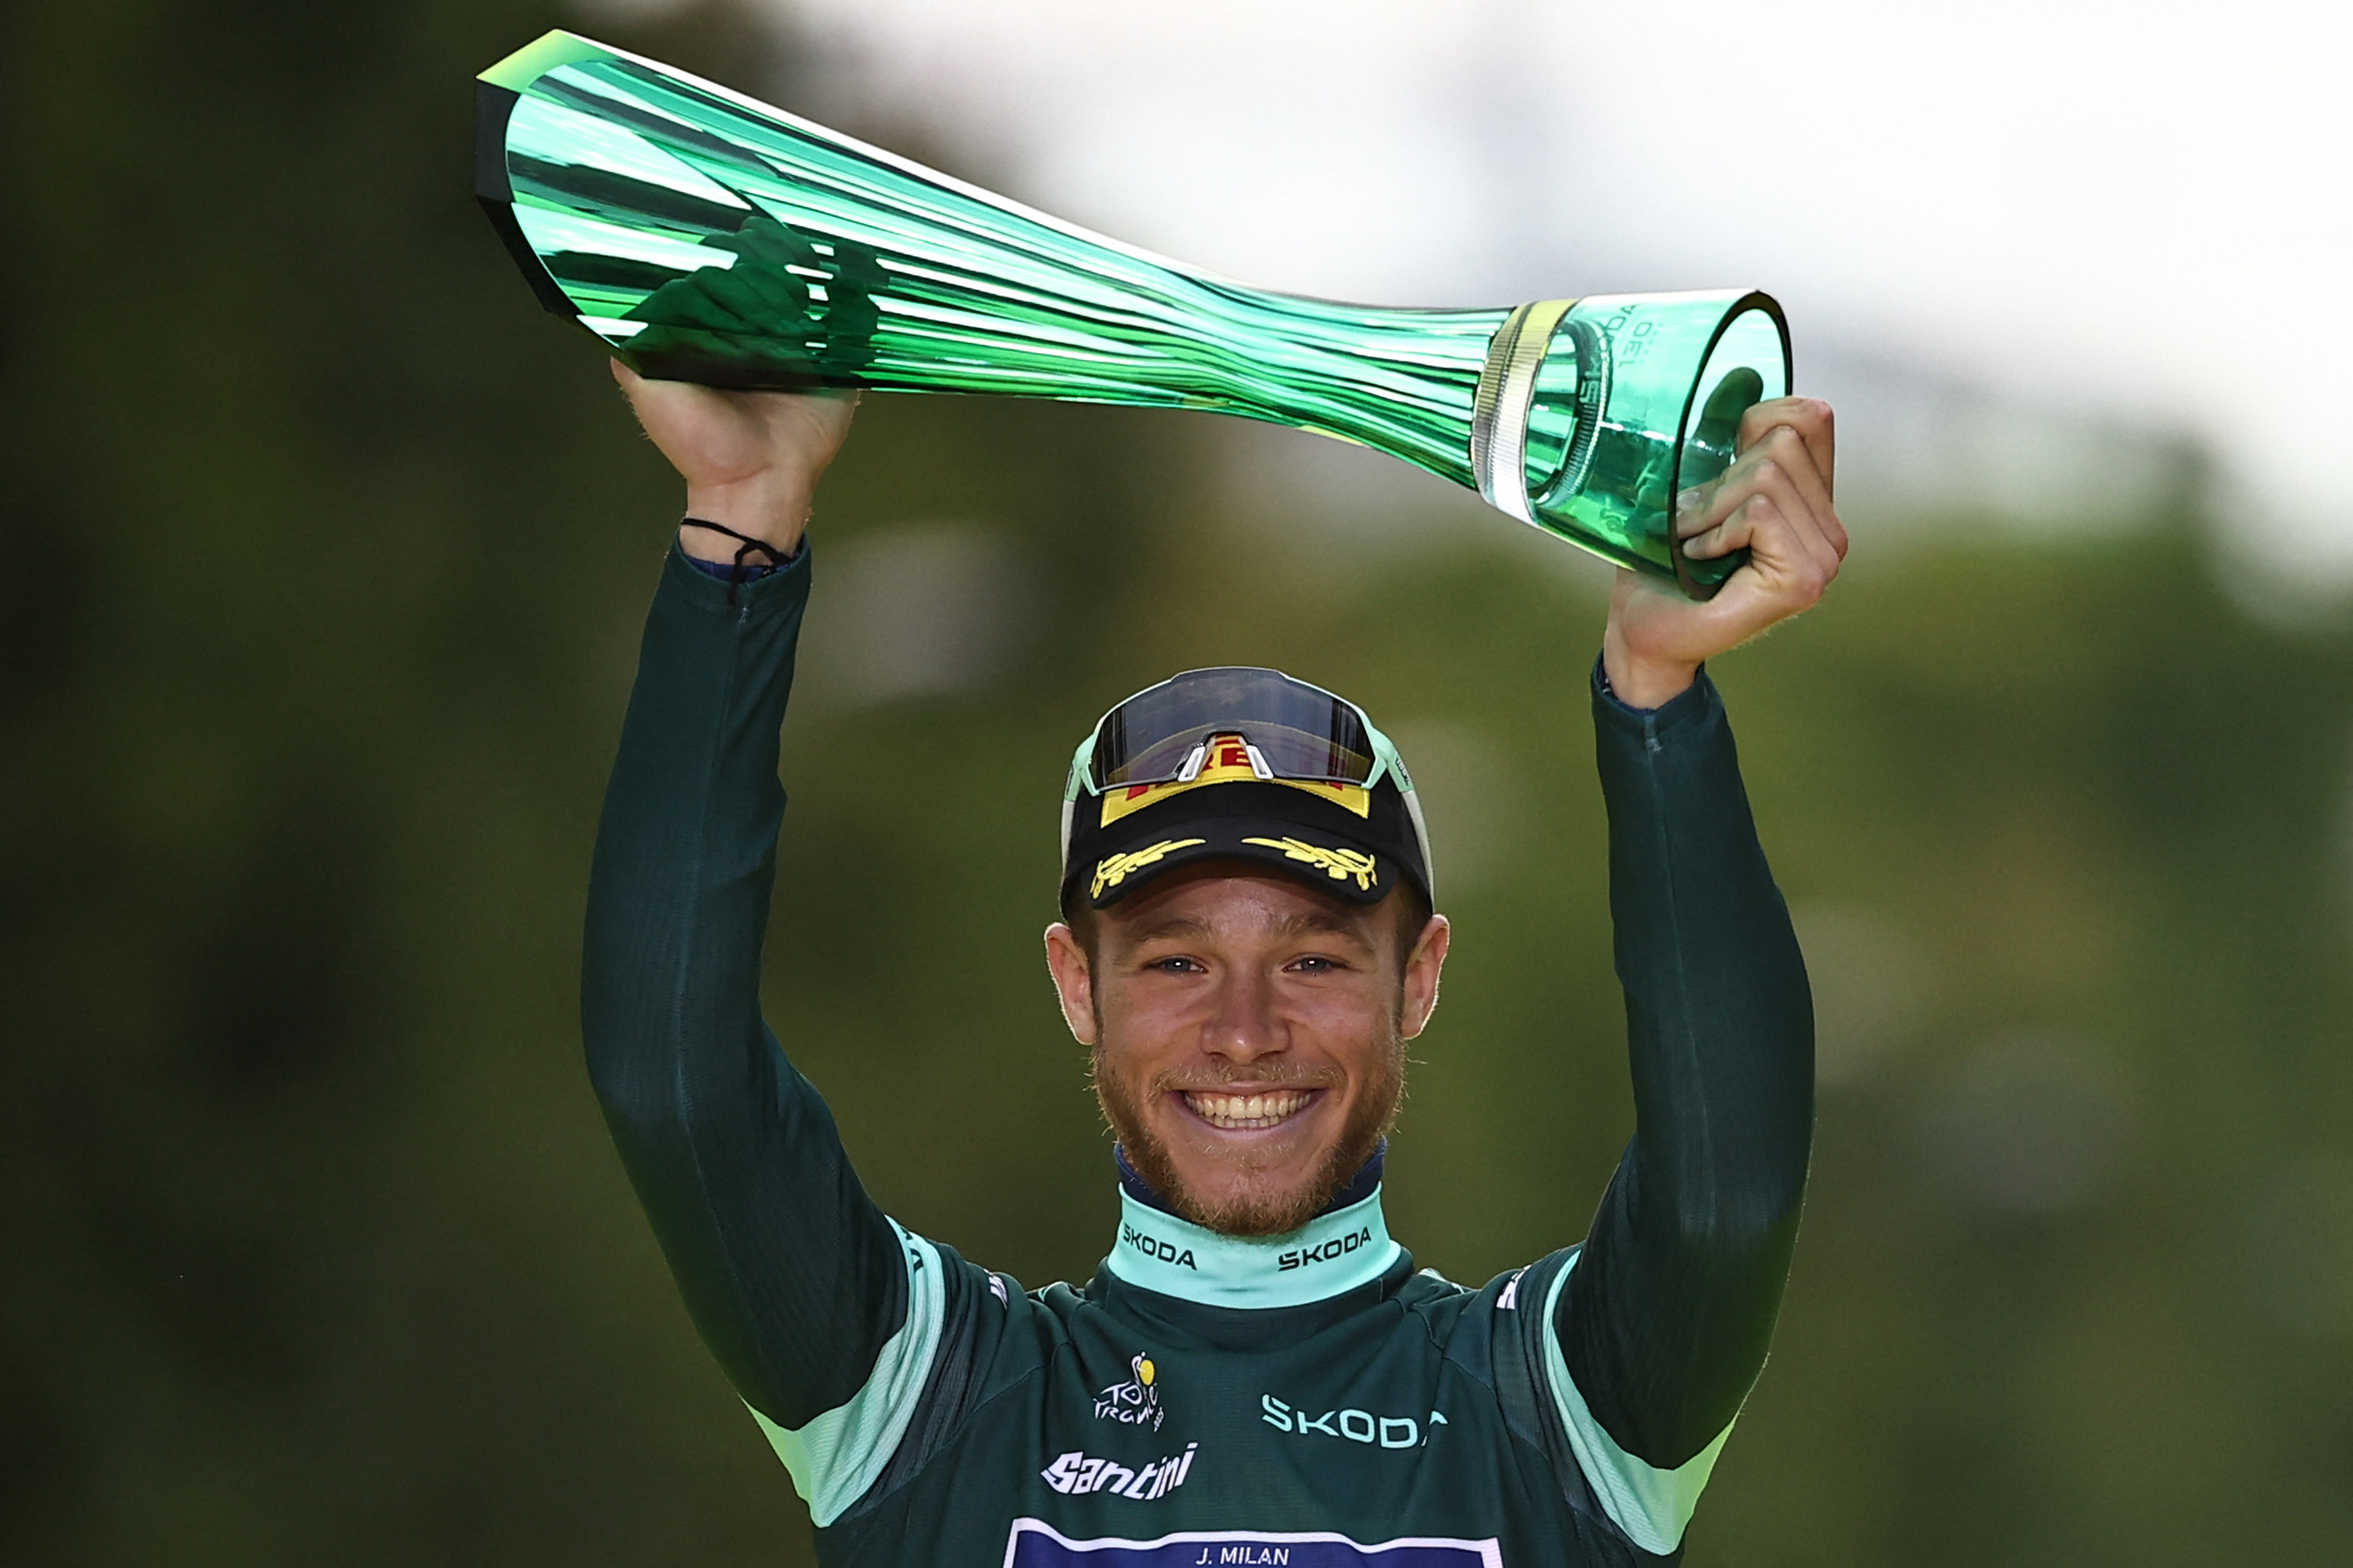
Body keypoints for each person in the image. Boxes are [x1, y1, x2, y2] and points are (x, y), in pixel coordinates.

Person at [584, 357, 1844, 1567]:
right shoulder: (934, 1395)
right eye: (1175, 964)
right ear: (1077, 985)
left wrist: (1657, 694)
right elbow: (671, 1074)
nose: (1244, 1032)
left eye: (1313, 964)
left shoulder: (1553, 1407)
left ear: (1420, 979)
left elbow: (1726, 1194)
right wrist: (739, 532)